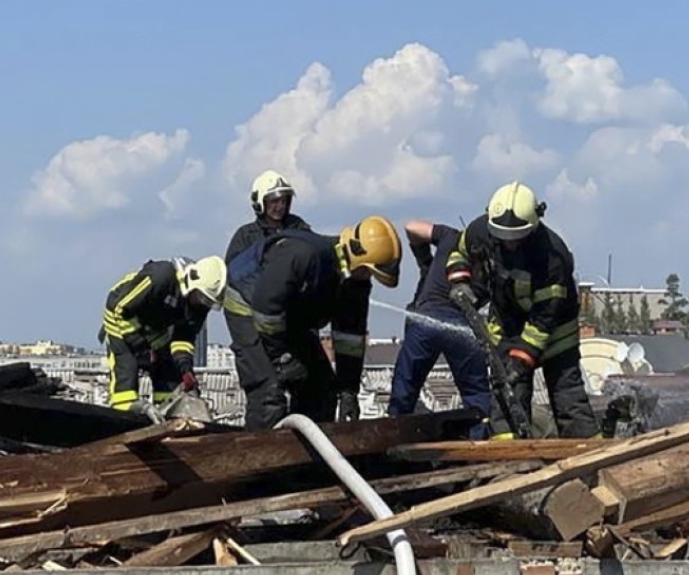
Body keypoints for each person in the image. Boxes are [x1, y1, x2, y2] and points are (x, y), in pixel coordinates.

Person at [444, 182, 601, 439]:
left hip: (555, 334)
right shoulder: (479, 230)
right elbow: (458, 253)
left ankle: (587, 457)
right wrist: (460, 281)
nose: (509, 244)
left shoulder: (552, 256)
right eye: (502, 236)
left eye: (516, 237)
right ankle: (508, 461)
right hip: (508, 326)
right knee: (507, 401)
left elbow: (545, 317)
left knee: (568, 398)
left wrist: (523, 358)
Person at [234, 216, 402, 430]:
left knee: (321, 388)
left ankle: (308, 456)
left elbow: (349, 337)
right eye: (369, 271)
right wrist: (281, 358)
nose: (368, 278)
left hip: (287, 319)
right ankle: (261, 458)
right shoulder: (305, 255)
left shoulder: (354, 283)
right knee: (270, 392)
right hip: (247, 306)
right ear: (356, 255)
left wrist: (348, 390)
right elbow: (266, 309)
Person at [223, 171, 312, 415]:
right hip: (251, 323)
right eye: (274, 201)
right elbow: (236, 281)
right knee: (267, 393)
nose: (280, 206)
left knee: (313, 382)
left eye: (283, 200)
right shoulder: (245, 237)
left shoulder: (299, 229)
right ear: (260, 203)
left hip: (289, 320)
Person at [387, 220, 491, 418]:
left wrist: (425, 262)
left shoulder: (451, 236)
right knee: (476, 394)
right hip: (461, 328)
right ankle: (481, 440)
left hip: (425, 321)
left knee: (404, 391)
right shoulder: (496, 262)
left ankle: (393, 436)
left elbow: (411, 227)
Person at [101, 256, 227, 415]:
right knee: (127, 370)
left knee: (169, 374)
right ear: (192, 283)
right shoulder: (162, 277)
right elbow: (121, 309)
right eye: (202, 298)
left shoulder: (199, 305)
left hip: (156, 328)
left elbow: (184, 338)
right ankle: (124, 411)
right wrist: (143, 350)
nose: (203, 304)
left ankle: (164, 413)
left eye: (209, 302)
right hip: (122, 317)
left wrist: (185, 369)